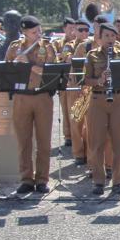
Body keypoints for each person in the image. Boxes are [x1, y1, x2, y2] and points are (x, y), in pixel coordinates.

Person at [4, 16, 59, 194]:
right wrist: (15, 65)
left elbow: (51, 72)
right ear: (24, 33)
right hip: (21, 96)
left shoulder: (47, 47)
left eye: (39, 31)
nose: (38, 35)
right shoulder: (15, 48)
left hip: (42, 96)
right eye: (34, 32)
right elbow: (6, 71)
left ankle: (42, 179)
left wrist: (29, 65)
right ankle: (26, 178)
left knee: (44, 140)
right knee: (23, 140)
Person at [83, 22, 120, 195]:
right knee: (97, 143)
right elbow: (85, 80)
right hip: (98, 99)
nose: (110, 39)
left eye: (113, 36)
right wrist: (99, 80)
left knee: (119, 143)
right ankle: (99, 181)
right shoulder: (92, 55)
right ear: (99, 38)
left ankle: (118, 181)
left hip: (117, 99)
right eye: (107, 36)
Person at [62, 18, 90, 164]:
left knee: (90, 122)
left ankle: (88, 151)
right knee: (75, 120)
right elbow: (68, 60)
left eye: (87, 30)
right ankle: (79, 154)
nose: (84, 33)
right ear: (74, 31)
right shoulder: (69, 45)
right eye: (81, 30)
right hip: (74, 86)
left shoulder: (92, 45)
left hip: (88, 86)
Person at [54, 18, 77, 146]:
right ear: (64, 29)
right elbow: (54, 58)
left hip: (77, 80)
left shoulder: (81, 42)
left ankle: (78, 135)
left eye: (75, 28)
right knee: (65, 109)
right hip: (64, 79)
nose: (73, 31)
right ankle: (68, 136)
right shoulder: (58, 43)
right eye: (70, 29)